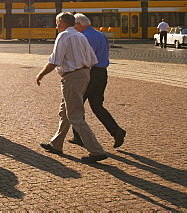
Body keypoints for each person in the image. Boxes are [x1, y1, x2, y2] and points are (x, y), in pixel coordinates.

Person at [35, 12, 108, 163]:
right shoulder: (81, 35)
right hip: (84, 74)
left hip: (72, 76)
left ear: (62, 23)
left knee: (75, 115)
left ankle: (96, 150)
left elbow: (55, 60)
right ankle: (56, 143)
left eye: (56, 23)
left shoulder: (64, 36)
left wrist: (41, 74)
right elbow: (93, 59)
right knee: (64, 111)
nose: (56, 27)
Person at [70, 14, 127, 149]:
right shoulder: (101, 35)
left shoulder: (84, 37)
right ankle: (116, 130)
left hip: (89, 73)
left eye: (74, 25)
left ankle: (79, 136)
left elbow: (84, 58)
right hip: (102, 73)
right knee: (97, 106)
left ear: (79, 24)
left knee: (77, 104)